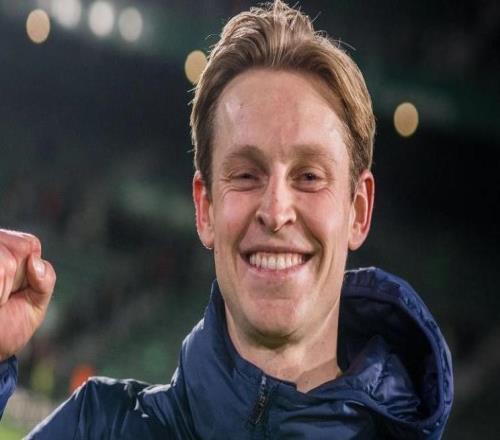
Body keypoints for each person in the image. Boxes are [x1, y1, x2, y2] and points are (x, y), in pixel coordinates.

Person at [0, 1, 453, 438]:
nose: (276, 211)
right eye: (246, 174)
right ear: (205, 209)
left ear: (358, 211)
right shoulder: (96, 429)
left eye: (309, 176)